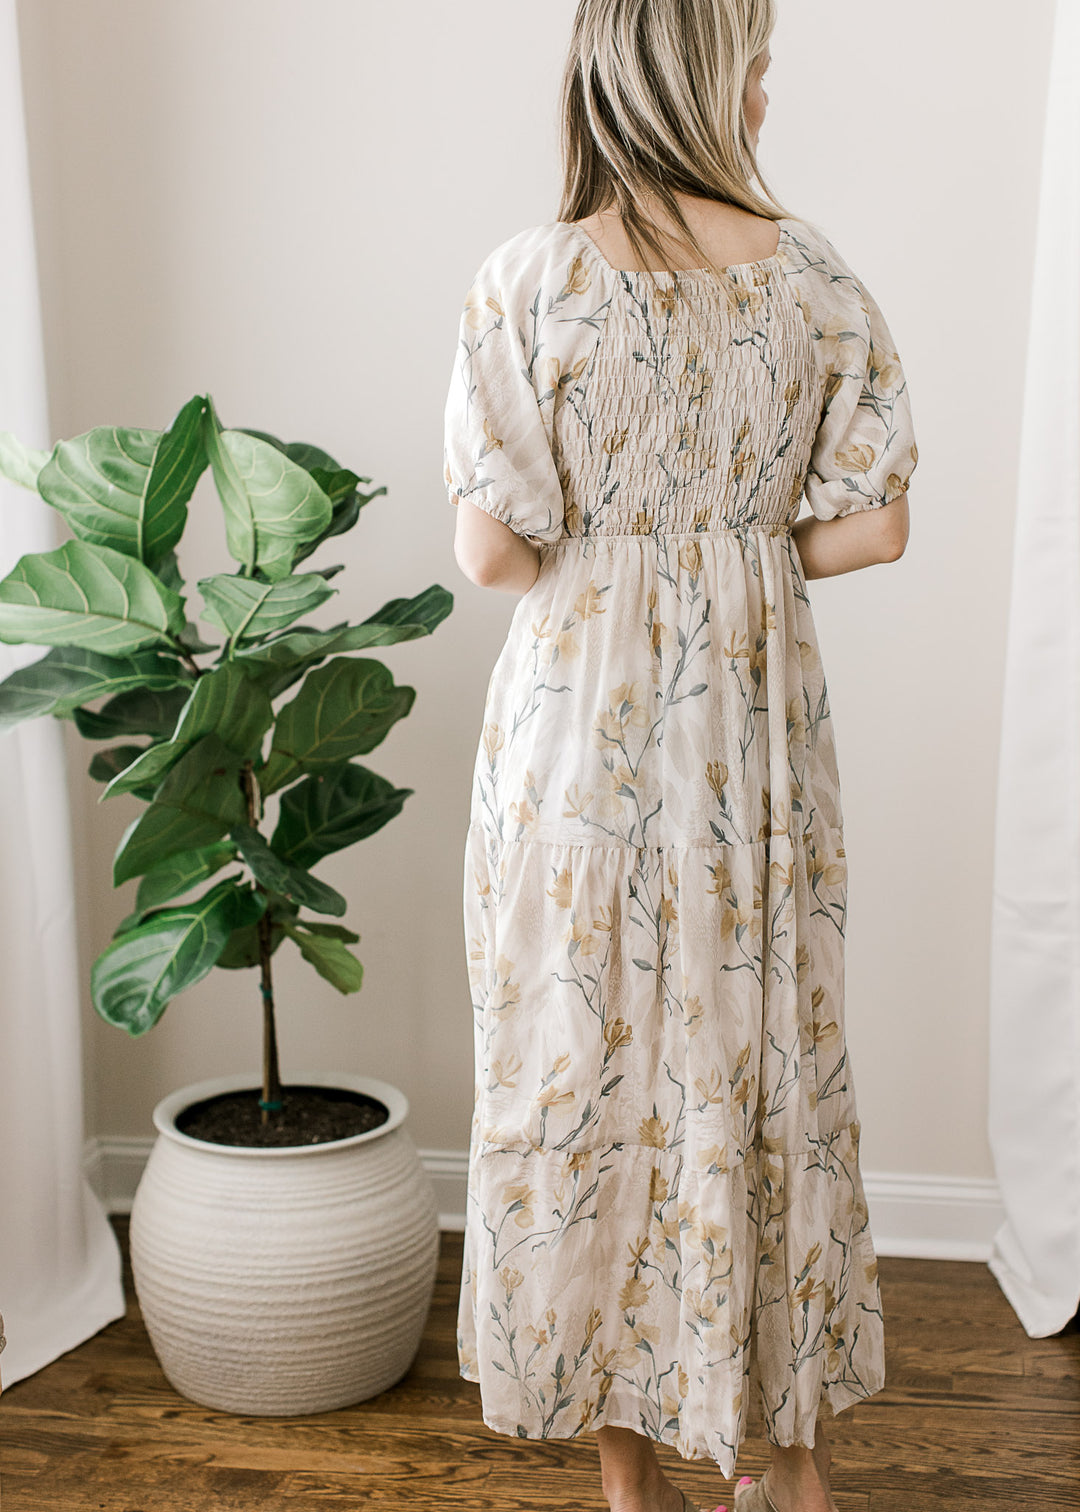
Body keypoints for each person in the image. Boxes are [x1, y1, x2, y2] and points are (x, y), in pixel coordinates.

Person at [442, 2, 918, 1510]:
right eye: (756, 60)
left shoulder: (528, 278)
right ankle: (786, 1463)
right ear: (707, 80)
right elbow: (876, 523)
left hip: (577, 736)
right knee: (759, 1060)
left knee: (587, 1070)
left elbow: (495, 556)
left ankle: (628, 1479)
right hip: (752, 742)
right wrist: (738, 550)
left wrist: (627, 538)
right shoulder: (814, 274)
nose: (770, 87)